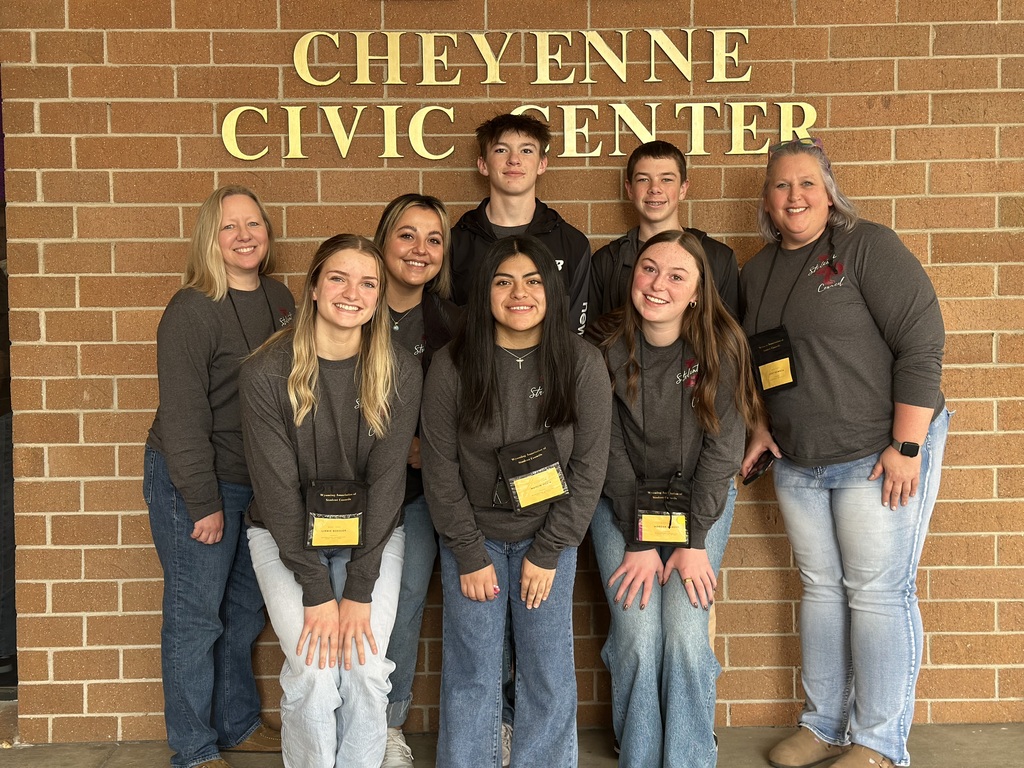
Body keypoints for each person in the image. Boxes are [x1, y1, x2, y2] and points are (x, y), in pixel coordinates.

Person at [740, 137, 949, 768]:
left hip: (877, 453)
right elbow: (751, 361)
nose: (794, 196)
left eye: (807, 183)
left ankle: (880, 743)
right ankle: (825, 725)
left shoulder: (866, 246)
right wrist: (758, 425)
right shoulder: (756, 271)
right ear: (767, 200)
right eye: (781, 185)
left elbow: (922, 339)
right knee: (822, 590)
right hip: (801, 461)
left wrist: (907, 445)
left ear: (829, 190)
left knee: (878, 593)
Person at [420, 235, 611, 768]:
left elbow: (589, 467)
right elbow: (440, 467)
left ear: (551, 292)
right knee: (473, 670)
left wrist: (549, 552)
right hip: (474, 539)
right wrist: (468, 552)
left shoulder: (581, 362)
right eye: (503, 282)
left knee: (547, 669)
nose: (518, 293)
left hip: (549, 537)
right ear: (485, 293)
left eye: (532, 282)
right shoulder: (452, 365)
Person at [239, 234, 421, 768]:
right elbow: (275, 493)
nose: (352, 293)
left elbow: (389, 485)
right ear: (314, 287)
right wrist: (317, 592)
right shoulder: (266, 372)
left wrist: (359, 589)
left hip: (372, 537)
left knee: (364, 666)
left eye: (368, 283)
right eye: (338, 278)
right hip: (283, 535)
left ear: (379, 298)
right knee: (315, 671)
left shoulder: (399, 371)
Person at [590, 230, 762, 768]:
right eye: (648, 269)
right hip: (621, 504)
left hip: (699, 507)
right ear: (632, 277)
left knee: (686, 635)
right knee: (637, 632)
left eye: (676, 275)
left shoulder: (723, 345)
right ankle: (640, 753)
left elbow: (722, 451)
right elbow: (606, 449)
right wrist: (637, 538)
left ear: (697, 291)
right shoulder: (604, 347)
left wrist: (695, 540)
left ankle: (688, 756)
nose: (657, 284)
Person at [144, 185, 294, 768]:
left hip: (258, 485)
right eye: (230, 226)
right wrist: (201, 501)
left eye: (254, 223)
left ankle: (237, 723)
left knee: (244, 610)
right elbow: (183, 416)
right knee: (195, 617)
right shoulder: (192, 308)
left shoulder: (282, 300)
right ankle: (194, 747)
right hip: (196, 480)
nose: (244, 235)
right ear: (211, 236)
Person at [373, 195, 462, 767]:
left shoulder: (454, 324)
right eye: (407, 235)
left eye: (433, 240)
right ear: (382, 240)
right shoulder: (352, 303)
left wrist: (431, 446)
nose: (419, 250)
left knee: (403, 608)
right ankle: (341, 715)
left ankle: (387, 725)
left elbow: (472, 411)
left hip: (421, 498)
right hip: (348, 494)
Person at [450, 113, 591, 336]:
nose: (514, 159)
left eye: (526, 150)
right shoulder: (455, 243)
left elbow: (575, 334)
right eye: (501, 150)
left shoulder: (572, 243)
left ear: (542, 164)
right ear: (483, 164)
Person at [589, 140, 740, 319]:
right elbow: (594, 337)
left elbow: (728, 335)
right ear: (629, 189)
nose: (654, 189)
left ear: (683, 189)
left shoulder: (717, 258)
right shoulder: (607, 261)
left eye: (666, 179)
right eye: (643, 179)